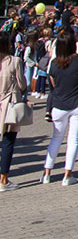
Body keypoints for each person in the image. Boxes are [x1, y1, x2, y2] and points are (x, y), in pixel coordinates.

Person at [41, 30, 78, 185]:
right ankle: (67, 175)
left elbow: (53, 85)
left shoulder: (53, 64)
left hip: (59, 105)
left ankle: (47, 172)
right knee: (73, 139)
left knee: (56, 138)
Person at [0, 31, 26, 191]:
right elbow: (22, 83)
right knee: (8, 142)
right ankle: (3, 179)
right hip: (9, 104)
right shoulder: (14, 61)